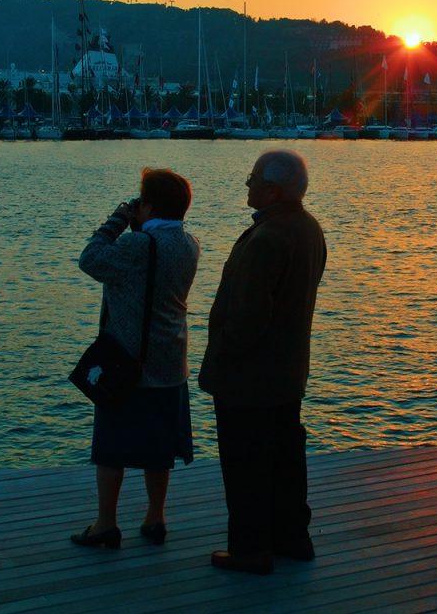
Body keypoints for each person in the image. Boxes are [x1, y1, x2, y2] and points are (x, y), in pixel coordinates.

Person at [199, 149, 327, 575]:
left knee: (246, 465)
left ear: (271, 189)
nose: (247, 184)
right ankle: (293, 538)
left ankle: (250, 549)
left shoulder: (268, 239)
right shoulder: (308, 229)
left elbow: (249, 319)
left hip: (249, 379)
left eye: (252, 178)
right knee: (285, 459)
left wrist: (223, 355)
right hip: (288, 372)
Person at [70, 168, 200, 549]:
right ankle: (155, 517)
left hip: (128, 363)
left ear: (148, 205)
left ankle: (105, 524)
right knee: (159, 450)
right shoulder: (190, 243)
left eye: (138, 201)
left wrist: (117, 219)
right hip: (171, 361)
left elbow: (90, 258)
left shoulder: (136, 247)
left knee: (112, 447)